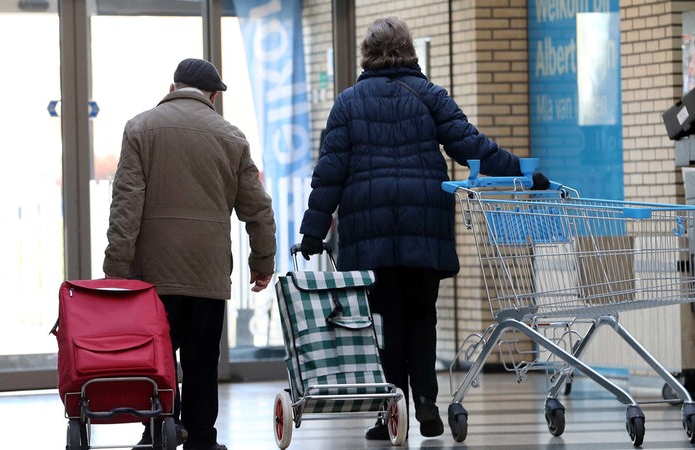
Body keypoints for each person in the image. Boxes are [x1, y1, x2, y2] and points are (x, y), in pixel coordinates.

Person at [298, 17, 549, 440]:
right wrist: (522, 174)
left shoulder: (348, 103)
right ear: (409, 50)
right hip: (423, 221)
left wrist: (313, 230)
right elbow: (472, 146)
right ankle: (426, 403)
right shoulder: (429, 95)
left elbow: (330, 173)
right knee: (421, 314)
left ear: (367, 54)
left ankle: (390, 412)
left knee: (387, 319)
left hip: (369, 225)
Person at [103, 58, 277, 450]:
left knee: (156, 356)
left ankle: (159, 429)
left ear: (172, 87)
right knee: (201, 360)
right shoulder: (231, 137)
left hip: (152, 274)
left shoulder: (140, 129)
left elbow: (126, 204)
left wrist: (116, 267)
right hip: (207, 273)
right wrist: (262, 262)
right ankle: (202, 438)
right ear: (213, 97)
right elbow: (258, 208)